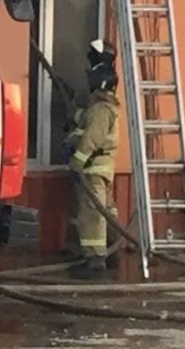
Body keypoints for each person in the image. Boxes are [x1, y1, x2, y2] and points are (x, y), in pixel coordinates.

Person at [66, 40, 120, 279]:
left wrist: (77, 161)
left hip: (92, 168)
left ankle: (95, 257)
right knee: (106, 210)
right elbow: (85, 121)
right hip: (100, 168)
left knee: (93, 213)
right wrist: (72, 111)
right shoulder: (99, 107)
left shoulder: (101, 108)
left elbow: (91, 138)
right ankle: (111, 248)